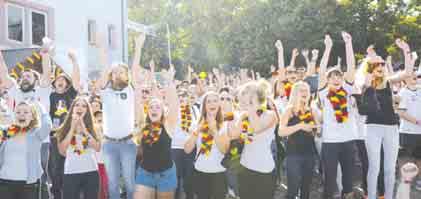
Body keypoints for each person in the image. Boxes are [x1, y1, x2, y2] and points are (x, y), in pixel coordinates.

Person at [357, 39, 414, 199]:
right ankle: (372, 196)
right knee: (374, 167)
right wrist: (371, 58)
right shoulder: (366, 84)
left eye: (382, 65)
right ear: (371, 69)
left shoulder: (389, 82)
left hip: (391, 129)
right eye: (377, 66)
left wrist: (406, 50)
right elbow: (367, 77)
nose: (381, 67)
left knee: (389, 168)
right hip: (372, 129)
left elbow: (408, 72)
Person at [95, 33, 146, 199]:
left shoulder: (130, 89)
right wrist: (102, 49)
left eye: (121, 72)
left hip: (128, 143)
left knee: (131, 182)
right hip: (109, 144)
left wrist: (138, 46)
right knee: (113, 184)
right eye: (115, 72)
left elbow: (136, 68)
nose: (117, 74)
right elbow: (103, 67)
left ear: (127, 75)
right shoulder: (106, 91)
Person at [317, 32, 358, 199]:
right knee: (330, 179)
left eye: (338, 76)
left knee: (349, 179)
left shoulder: (347, 90)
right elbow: (321, 72)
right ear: (327, 80)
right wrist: (328, 48)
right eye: (332, 76)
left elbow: (351, 67)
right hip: (331, 142)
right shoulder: (324, 92)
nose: (336, 79)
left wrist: (349, 44)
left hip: (348, 139)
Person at [133, 65, 179, 199]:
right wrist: (139, 84)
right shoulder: (143, 124)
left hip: (166, 174)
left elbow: (175, 105)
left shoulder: (168, 125)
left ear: (163, 111)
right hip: (145, 174)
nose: (154, 109)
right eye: (151, 107)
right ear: (148, 111)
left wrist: (170, 82)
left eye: (157, 107)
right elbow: (136, 103)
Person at [229, 80, 278, 199]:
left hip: (263, 169)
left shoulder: (270, 115)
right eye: (243, 101)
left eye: (250, 100)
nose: (245, 104)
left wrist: (250, 109)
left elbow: (257, 128)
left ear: (259, 100)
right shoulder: (244, 115)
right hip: (245, 167)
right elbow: (234, 135)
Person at [0, 101, 52, 199]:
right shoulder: (7, 131)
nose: (21, 114)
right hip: (4, 182)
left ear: (32, 116)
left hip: (28, 184)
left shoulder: (35, 133)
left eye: (25, 112)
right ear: (14, 116)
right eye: (18, 112)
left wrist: (42, 109)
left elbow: (47, 126)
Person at [184, 91, 231, 199]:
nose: (212, 104)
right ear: (204, 106)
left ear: (219, 105)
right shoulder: (197, 123)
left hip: (218, 174)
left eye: (215, 101)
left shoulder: (225, 123)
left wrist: (214, 129)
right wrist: (197, 130)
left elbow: (224, 150)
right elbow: (187, 149)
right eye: (208, 101)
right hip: (200, 172)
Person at [279, 81, 320, 199]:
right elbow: (281, 131)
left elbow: (318, 131)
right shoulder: (289, 110)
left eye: (306, 90)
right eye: (301, 90)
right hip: (294, 155)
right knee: (293, 188)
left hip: (310, 153)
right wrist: (300, 126)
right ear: (295, 93)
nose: (305, 93)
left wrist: (317, 129)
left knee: (306, 188)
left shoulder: (311, 110)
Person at [56, 97, 101, 199]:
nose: (80, 108)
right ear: (72, 108)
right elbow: (62, 151)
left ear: (87, 110)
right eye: (77, 105)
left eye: (84, 106)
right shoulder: (63, 128)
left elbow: (97, 147)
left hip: (91, 172)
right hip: (71, 172)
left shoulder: (95, 127)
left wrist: (84, 129)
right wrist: (72, 128)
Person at [171, 89, 198, 199]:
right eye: (179, 96)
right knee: (176, 178)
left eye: (184, 95)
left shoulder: (195, 109)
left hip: (191, 148)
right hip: (176, 148)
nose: (182, 98)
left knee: (189, 179)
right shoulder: (175, 110)